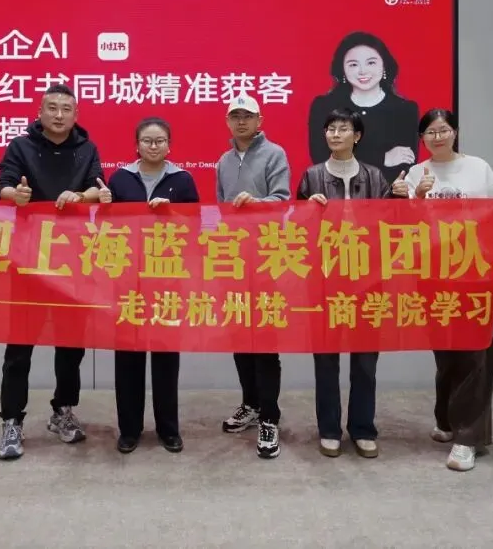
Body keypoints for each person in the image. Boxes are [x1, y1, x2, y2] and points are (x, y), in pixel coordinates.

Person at [394, 108, 493, 472]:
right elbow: (405, 225)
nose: (437, 137)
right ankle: (447, 420)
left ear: (455, 132)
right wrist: (414, 198)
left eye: (443, 130)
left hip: (474, 273)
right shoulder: (416, 173)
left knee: (475, 353)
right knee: (446, 352)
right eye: (430, 132)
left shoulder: (478, 168)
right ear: (422, 138)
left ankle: (469, 438)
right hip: (433, 274)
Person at [0, 83, 108, 460]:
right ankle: (12, 420)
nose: (59, 115)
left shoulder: (87, 148)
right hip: (27, 260)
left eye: (66, 109)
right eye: (52, 108)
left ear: (76, 115)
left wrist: (80, 196)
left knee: (71, 344)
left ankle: (63, 410)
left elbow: (100, 189)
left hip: (73, 261)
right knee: (19, 346)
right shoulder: (20, 146)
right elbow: (2, 187)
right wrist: (17, 195)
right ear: (40, 112)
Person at [297, 109, 404, 459]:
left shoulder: (375, 177)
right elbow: (294, 229)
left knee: (365, 360)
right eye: (330, 128)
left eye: (343, 128)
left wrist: (400, 197)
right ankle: (329, 429)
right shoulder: (312, 176)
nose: (335, 134)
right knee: (326, 359)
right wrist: (307, 208)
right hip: (325, 279)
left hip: (366, 278)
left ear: (357, 136)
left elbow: (390, 224)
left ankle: (363, 428)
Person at [107, 117, 200, 454]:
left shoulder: (182, 180)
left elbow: (196, 226)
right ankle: (129, 429)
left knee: (165, 358)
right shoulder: (119, 179)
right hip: (128, 280)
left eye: (160, 141)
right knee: (127, 358)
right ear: (137, 145)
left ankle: (168, 429)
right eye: (147, 141)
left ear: (169, 145)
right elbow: (105, 227)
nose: (153, 146)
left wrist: (171, 214)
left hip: (167, 279)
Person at [215, 94, 291, 459]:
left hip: (265, 259)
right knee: (239, 338)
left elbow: (283, 200)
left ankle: (270, 417)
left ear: (260, 120)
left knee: (264, 342)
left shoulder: (274, 154)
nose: (241, 121)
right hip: (233, 259)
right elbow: (219, 209)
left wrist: (258, 204)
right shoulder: (223, 161)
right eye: (236, 116)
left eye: (248, 116)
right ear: (228, 122)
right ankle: (251, 404)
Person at [306, 31, 420, 184]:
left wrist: (349, 155)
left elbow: (405, 162)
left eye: (371, 63)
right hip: (337, 191)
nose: (362, 71)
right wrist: (383, 158)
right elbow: (322, 157)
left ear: (384, 65)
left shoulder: (405, 110)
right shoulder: (324, 106)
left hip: (387, 193)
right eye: (353, 64)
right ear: (343, 70)